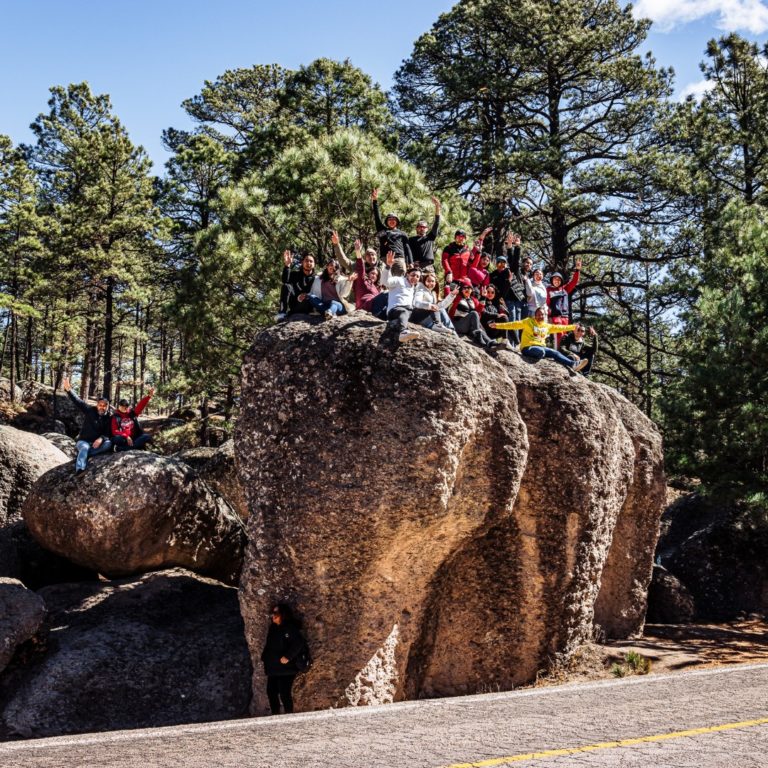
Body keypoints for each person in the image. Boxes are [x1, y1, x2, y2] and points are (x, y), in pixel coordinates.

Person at [491, 308, 590, 372]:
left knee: (554, 352)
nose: (540, 316)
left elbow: (560, 327)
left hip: (541, 347)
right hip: (527, 347)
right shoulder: (528, 321)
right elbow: (513, 325)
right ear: (535, 315)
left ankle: (573, 364)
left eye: (542, 314)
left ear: (545, 316)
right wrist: (497, 325)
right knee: (541, 352)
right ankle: (534, 355)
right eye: (538, 314)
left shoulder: (547, 326)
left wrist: (573, 327)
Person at [261, 603, 306, 715]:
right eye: (272, 613)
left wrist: (288, 656)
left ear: (283, 614)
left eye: (275, 613)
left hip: (287, 668)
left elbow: (299, 643)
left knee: (284, 692)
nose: (273, 616)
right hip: (273, 668)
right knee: (271, 692)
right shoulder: (273, 628)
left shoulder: (290, 628)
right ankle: (275, 716)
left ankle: (288, 715)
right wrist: (265, 657)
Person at [62, 377, 113, 474]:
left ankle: (85, 454)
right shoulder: (90, 411)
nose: (102, 407)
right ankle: (80, 469)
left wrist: (101, 438)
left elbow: (107, 433)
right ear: (97, 405)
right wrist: (69, 390)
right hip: (83, 442)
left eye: (104, 405)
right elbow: (78, 402)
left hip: (96, 445)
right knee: (84, 448)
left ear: (107, 406)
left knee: (108, 443)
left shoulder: (109, 417)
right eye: (100, 405)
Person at [448, 279, 502, 353]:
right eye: (465, 288)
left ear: (472, 290)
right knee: (474, 313)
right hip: (457, 324)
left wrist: (483, 297)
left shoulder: (473, 300)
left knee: (478, 324)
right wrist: (448, 286)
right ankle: (477, 336)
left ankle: (490, 343)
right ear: (461, 289)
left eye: (469, 288)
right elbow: (448, 297)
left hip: (468, 327)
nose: (467, 290)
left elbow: (479, 311)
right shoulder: (457, 297)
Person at [385, 257, 423, 343]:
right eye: (413, 275)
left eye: (417, 276)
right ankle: (403, 332)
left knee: (430, 310)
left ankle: (437, 325)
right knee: (403, 311)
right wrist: (388, 267)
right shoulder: (399, 280)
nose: (415, 277)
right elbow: (386, 282)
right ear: (407, 274)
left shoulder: (414, 288)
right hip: (395, 310)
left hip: (409, 311)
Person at [371, 188, 413, 265]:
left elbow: (407, 248)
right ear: (386, 222)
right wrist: (375, 201)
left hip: (399, 259)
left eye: (394, 219)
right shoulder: (383, 230)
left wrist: (410, 262)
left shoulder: (402, 234)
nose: (391, 221)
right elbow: (377, 216)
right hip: (385, 259)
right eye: (389, 219)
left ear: (397, 222)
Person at [547, 258, 582, 348]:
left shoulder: (565, 289)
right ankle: (557, 352)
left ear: (561, 281)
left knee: (563, 337)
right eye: (555, 279)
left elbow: (574, 281)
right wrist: (549, 316)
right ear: (552, 280)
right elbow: (547, 303)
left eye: (559, 279)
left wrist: (577, 270)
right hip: (555, 316)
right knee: (558, 335)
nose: (557, 281)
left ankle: (562, 352)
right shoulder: (549, 289)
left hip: (565, 317)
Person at [111, 387, 155, 452]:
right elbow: (115, 431)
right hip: (124, 439)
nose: (124, 407)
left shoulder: (132, 414)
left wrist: (149, 396)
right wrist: (126, 436)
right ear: (119, 406)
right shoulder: (115, 416)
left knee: (146, 436)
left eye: (126, 405)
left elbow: (140, 406)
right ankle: (135, 446)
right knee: (117, 439)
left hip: (134, 438)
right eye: (122, 405)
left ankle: (121, 449)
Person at [408, 196, 441, 269]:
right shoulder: (411, 239)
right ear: (416, 228)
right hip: (415, 266)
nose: (422, 228)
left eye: (424, 227)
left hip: (428, 266)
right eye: (420, 227)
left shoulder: (430, 237)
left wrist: (437, 207)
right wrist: (410, 263)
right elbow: (407, 252)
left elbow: (436, 223)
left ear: (427, 229)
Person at [351, 239, 383, 313]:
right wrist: (358, 251)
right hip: (365, 305)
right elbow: (360, 266)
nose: (374, 276)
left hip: (376, 309)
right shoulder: (363, 281)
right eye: (372, 273)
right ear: (367, 273)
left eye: (376, 275)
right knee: (385, 295)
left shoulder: (376, 288)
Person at [282, 252, 317, 316]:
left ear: (314, 264)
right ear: (302, 262)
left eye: (311, 261)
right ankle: (282, 312)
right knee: (286, 286)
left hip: (309, 306)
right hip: (295, 306)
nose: (308, 263)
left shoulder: (317, 278)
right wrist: (287, 265)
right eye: (306, 261)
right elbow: (285, 281)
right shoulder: (295, 274)